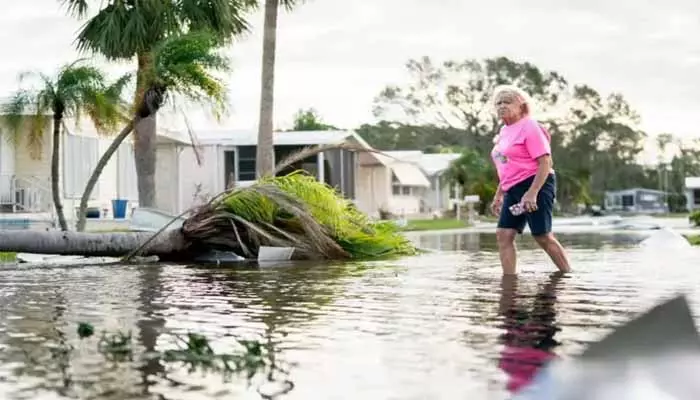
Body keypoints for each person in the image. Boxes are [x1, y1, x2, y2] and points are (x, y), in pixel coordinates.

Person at [489, 85, 571, 275]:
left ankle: (567, 275)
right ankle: (509, 281)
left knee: (542, 235)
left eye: (507, 102)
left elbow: (545, 161)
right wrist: (499, 194)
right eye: (498, 103)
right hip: (513, 188)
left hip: (536, 184)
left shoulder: (530, 126)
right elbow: (508, 166)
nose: (502, 106)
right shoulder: (504, 132)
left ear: (521, 106)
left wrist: (532, 193)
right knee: (504, 234)